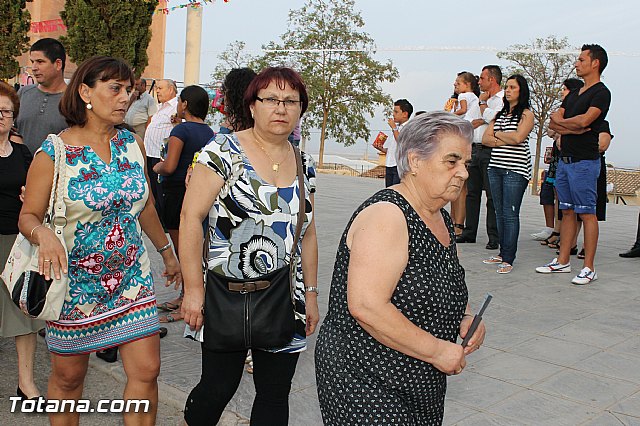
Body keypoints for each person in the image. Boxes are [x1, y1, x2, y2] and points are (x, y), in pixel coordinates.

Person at [18, 56, 181, 424]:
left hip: (131, 281)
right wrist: (42, 233)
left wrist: (167, 254)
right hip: (73, 286)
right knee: (69, 379)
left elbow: (146, 206)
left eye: (129, 89)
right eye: (115, 88)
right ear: (86, 92)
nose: (126, 97)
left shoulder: (131, 143)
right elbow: (28, 215)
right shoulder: (53, 153)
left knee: (147, 370)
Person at [315, 111, 486, 425]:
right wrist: (437, 351)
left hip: (418, 377)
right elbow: (366, 306)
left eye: (466, 162)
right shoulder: (388, 216)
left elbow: (442, 282)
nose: (463, 172)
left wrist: (465, 315)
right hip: (367, 378)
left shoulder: (440, 217)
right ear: (416, 161)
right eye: (452, 161)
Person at [179, 67, 319, 425]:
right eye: (271, 99)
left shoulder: (303, 161)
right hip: (227, 294)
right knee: (217, 387)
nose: (281, 108)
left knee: (275, 393)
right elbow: (191, 219)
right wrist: (194, 290)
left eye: (291, 101)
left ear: (300, 109)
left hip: (286, 296)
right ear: (252, 105)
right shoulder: (222, 151)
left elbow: (308, 232)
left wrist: (313, 295)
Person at [537, 44, 611, 285]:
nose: (576, 63)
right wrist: (571, 125)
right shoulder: (574, 93)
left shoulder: (601, 92)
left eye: (581, 59)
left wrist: (567, 124)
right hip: (565, 162)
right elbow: (555, 120)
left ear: (595, 63)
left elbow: (586, 121)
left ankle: (589, 267)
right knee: (567, 211)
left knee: (587, 213)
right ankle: (562, 261)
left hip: (584, 163)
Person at [153, 85, 214, 323]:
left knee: (184, 250)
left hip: (176, 192)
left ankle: (188, 299)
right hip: (199, 192)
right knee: (196, 248)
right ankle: (185, 294)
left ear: (185, 104)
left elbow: (169, 166)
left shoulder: (181, 131)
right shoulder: (209, 132)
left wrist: (157, 167)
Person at [0, 82, 45, 400]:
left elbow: (35, 193)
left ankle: (26, 384)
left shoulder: (23, 152)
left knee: (24, 314)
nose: (0, 116)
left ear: (13, 116)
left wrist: (32, 196)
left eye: (5, 111)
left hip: (16, 242)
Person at [481, 75, 534, 274]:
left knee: (510, 214)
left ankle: (509, 257)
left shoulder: (527, 114)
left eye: (513, 87)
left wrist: (499, 135)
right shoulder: (499, 114)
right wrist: (506, 138)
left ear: (521, 91)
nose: (508, 90)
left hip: (515, 169)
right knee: (498, 211)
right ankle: (502, 253)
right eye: (507, 87)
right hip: (495, 167)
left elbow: (519, 137)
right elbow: (486, 139)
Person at [457, 65, 503, 250]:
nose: (479, 81)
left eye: (482, 78)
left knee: (492, 195)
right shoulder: (479, 100)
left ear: (492, 79)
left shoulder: (501, 99)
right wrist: (483, 116)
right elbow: (470, 121)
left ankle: (494, 236)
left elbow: (496, 118)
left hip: (491, 150)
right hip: (475, 149)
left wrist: (484, 112)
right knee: (472, 193)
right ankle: (469, 232)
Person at [535, 78, 585, 245]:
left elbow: (575, 129)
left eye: (564, 89)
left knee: (572, 200)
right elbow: (551, 130)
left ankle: (570, 239)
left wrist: (562, 127)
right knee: (557, 195)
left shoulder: (581, 110)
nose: (562, 93)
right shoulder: (561, 110)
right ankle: (557, 230)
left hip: (573, 157)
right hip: (558, 159)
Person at [15, 38, 68, 154]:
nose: (34, 67)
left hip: (59, 170)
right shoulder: (23, 93)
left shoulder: (75, 100)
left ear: (58, 64)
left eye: (40, 62)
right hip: (21, 169)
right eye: (32, 61)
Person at [451, 71, 481, 236]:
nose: (455, 86)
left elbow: (462, 110)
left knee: (461, 188)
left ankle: (457, 222)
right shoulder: (475, 99)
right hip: (464, 139)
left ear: (466, 84)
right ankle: (455, 220)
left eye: (457, 83)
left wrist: (448, 115)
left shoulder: (465, 96)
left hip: (463, 141)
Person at [144, 79, 178, 221]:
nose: (157, 91)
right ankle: (156, 217)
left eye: (160, 88)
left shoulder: (176, 106)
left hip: (162, 156)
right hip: (150, 153)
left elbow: (181, 125)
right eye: (157, 88)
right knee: (153, 189)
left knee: (161, 189)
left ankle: (163, 220)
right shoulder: (160, 107)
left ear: (171, 89)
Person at [379, 99, 412, 187]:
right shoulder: (396, 127)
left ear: (405, 114)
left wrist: (394, 128)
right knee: (388, 191)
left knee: (396, 192)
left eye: (396, 112)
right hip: (389, 164)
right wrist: (381, 148)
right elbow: (393, 149)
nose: (393, 114)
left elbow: (401, 142)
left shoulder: (409, 127)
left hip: (399, 166)